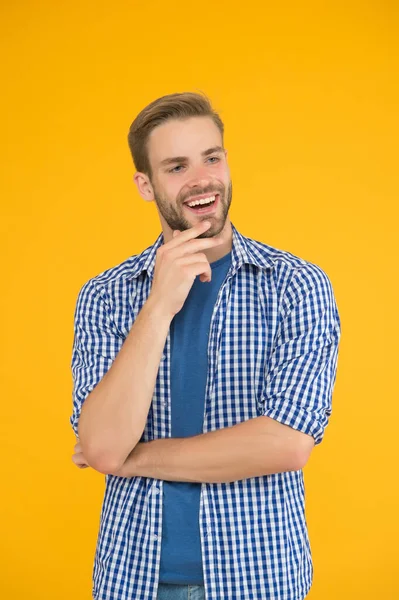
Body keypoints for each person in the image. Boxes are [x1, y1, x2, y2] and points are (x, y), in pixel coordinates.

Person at [70, 91, 341, 600]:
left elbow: (286, 443)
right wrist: (157, 307)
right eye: (176, 166)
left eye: (211, 157)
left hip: (259, 580)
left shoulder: (297, 286)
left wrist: (132, 458)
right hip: (134, 580)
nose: (201, 179)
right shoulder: (105, 296)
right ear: (145, 185)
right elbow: (104, 442)